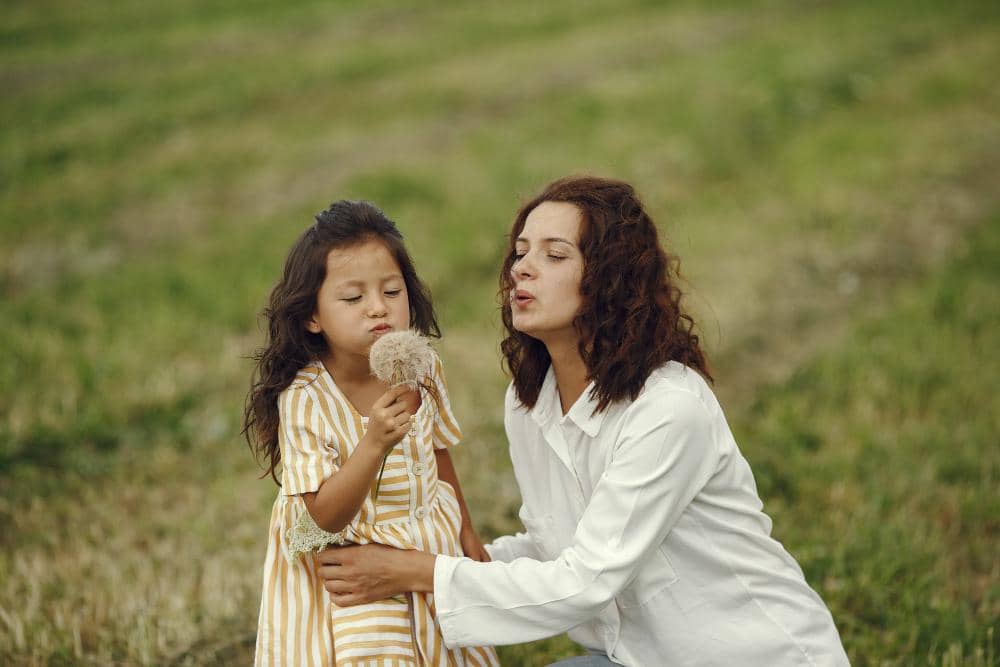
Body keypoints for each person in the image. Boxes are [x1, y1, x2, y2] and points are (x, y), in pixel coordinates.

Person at [316, 177, 850, 666]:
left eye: (554, 255)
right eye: (521, 253)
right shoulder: (529, 402)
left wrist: (417, 572)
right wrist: (434, 555)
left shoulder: (667, 408)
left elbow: (586, 580)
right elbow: (557, 549)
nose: (521, 268)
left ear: (608, 279)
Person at [243, 200, 499, 666]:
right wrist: (374, 443)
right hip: (351, 564)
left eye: (392, 291)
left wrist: (466, 533)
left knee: (445, 649)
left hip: (426, 542)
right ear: (312, 316)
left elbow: (439, 452)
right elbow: (322, 516)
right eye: (353, 298)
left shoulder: (422, 368)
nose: (378, 308)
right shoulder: (306, 398)